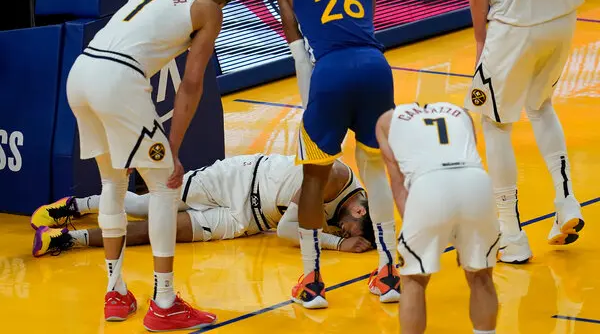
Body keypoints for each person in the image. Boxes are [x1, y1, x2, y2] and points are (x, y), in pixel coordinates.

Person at [63, 0, 236, 330]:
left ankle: (115, 292)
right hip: (117, 79)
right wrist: (172, 148)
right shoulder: (209, 8)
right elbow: (192, 83)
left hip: (81, 74)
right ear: (220, 0)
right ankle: (165, 303)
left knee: (112, 182)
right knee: (165, 184)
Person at [277, 0, 399, 309]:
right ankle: (389, 273)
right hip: (376, 67)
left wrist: (310, 107)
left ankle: (312, 283)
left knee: (314, 177)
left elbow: (300, 55)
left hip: (330, 72)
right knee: (375, 171)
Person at [465, 0, 585, 264]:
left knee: (494, 123)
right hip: (563, 17)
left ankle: (511, 234)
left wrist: (480, 41)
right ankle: (566, 199)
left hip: (516, 25)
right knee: (540, 105)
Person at [31, 154, 375, 255]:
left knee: (158, 231)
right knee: (146, 206)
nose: (343, 231)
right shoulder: (333, 175)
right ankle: (77, 205)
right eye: (350, 229)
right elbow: (288, 230)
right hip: (236, 179)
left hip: (246, 221)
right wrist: (338, 244)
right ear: (359, 210)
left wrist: (342, 239)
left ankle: (66, 239)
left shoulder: (354, 208)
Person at [376, 102, 500, 334]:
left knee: (414, 278)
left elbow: (398, 185)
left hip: (429, 184)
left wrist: (416, 236)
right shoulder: (461, 113)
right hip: (476, 182)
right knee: (481, 274)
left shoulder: (386, 121)